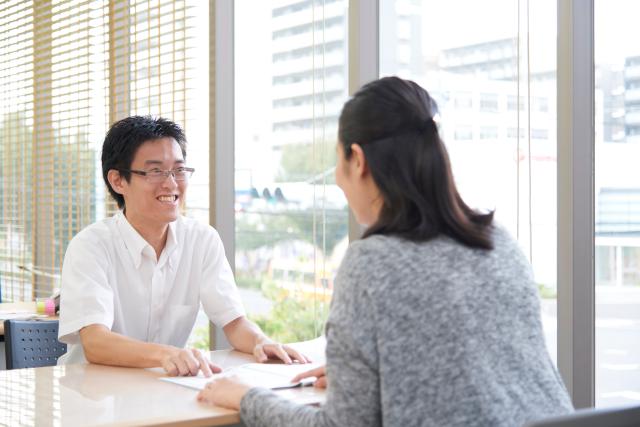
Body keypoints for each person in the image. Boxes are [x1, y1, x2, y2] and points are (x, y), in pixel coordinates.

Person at [196, 77, 574, 426]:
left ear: (357, 160)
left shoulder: (372, 262)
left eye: (338, 162)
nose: (340, 180)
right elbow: (478, 367)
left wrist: (247, 397)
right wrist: (369, 378)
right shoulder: (498, 241)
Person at [58, 116, 308, 376]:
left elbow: (234, 322)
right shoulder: (90, 247)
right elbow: (96, 343)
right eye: (155, 171)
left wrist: (261, 343)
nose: (171, 183)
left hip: (162, 388)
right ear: (118, 181)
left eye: (178, 170)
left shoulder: (202, 240)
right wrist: (167, 354)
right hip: (92, 395)